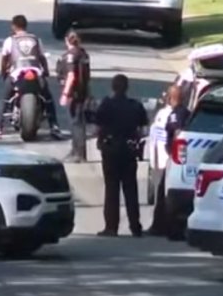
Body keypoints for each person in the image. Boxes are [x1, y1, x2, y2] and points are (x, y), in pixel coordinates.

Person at [0, 14, 60, 139]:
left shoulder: (10, 40)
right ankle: (54, 126)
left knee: (4, 98)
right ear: (26, 26)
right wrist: (45, 71)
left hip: (17, 73)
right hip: (35, 71)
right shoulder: (35, 39)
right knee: (48, 98)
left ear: (13, 26)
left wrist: (3, 72)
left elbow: (4, 58)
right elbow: (42, 57)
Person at [95, 74, 147, 238]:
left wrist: (100, 141)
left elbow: (98, 125)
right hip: (129, 150)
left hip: (111, 150)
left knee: (112, 189)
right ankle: (135, 226)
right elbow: (143, 128)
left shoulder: (107, 104)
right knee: (131, 189)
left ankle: (111, 226)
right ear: (127, 87)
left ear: (113, 87)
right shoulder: (135, 105)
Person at [147, 84, 189, 236]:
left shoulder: (174, 115)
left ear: (170, 98)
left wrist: (171, 152)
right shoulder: (185, 113)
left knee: (163, 194)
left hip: (172, 159)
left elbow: (177, 133)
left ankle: (160, 227)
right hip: (173, 159)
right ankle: (162, 226)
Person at [58, 29, 91, 161]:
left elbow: (71, 76)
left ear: (67, 40)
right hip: (82, 91)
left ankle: (79, 154)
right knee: (78, 122)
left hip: (74, 93)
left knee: (76, 123)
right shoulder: (83, 54)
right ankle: (75, 150)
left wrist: (65, 93)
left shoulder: (70, 56)